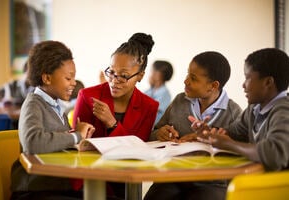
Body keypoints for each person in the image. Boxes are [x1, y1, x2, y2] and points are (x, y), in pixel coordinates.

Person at [145, 51, 242, 200]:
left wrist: (210, 140)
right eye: (187, 74)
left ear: (213, 85)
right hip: (172, 176)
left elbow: (240, 154)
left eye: (193, 78)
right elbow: (153, 134)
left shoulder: (233, 113)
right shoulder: (179, 101)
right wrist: (159, 133)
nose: (186, 81)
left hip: (212, 183)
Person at [73, 32, 159, 199]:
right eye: (111, 72)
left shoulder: (149, 106)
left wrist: (112, 123)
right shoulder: (87, 96)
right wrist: (78, 133)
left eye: (124, 76)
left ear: (140, 75)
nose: (114, 80)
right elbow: (75, 142)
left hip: (125, 180)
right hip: (89, 178)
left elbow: (137, 151)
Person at [10, 40, 95, 200]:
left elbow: (58, 143)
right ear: (47, 78)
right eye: (68, 78)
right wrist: (75, 136)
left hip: (56, 186)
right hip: (33, 191)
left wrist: (80, 141)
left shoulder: (55, 105)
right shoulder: (33, 104)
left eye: (74, 78)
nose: (74, 83)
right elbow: (33, 143)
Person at [196, 48, 289, 172]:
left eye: (247, 78)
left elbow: (275, 154)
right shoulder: (254, 109)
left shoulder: (283, 110)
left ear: (268, 82)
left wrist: (229, 144)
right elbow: (234, 132)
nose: (243, 85)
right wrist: (212, 132)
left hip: (277, 186)